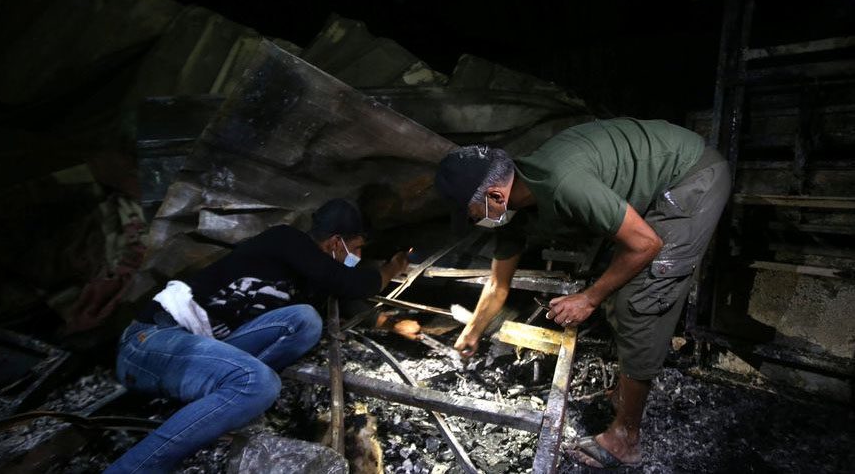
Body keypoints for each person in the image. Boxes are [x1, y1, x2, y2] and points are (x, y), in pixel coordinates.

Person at [434, 118, 730, 468]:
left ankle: (625, 438)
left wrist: (588, 298)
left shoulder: (562, 182)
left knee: (640, 301)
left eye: (471, 216)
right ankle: (625, 392)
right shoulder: (515, 206)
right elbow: (499, 283)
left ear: (495, 196)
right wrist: (473, 331)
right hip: (659, 181)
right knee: (615, 295)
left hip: (690, 177)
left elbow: (645, 244)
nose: (473, 223)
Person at [106, 198, 410, 473]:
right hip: (153, 341)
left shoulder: (307, 284)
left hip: (203, 353)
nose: (357, 256)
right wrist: (389, 270)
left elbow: (338, 291)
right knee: (259, 383)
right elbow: (349, 282)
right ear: (334, 242)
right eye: (355, 248)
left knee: (305, 320)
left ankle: (229, 397)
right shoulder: (286, 239)